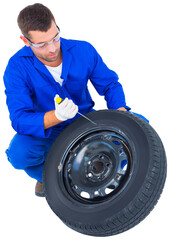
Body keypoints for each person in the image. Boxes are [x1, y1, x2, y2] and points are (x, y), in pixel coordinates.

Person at [3, 3, 130, 197]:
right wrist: (56, 116)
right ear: (25, 41)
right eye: (42, 44)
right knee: (20, 154)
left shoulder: (83, 50)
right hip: (49, 131)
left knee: (139, 125)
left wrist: (121, 115)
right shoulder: (16, 68)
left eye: (55, 38)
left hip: (85, 121)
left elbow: (110, 85)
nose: (53, 48)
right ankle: (53, 177)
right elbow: (19, 119)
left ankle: (111, 170)